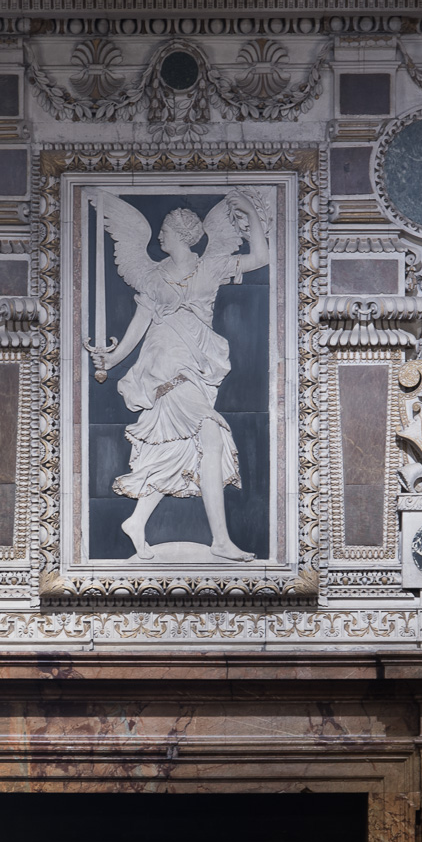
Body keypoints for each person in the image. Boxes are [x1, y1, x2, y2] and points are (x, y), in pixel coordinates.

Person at [85, 188, 269, 562]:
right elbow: (140, 323)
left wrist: (250, 212)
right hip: (165, 361)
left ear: (183, 235)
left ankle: (137, 521)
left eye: (165, 231)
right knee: (211, 435)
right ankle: (220, 540)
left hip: (199, 361)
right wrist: (111, 357)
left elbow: (261, 258)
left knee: (177, 449)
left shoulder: (212, 264)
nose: (159, 237)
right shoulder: (153, 276)